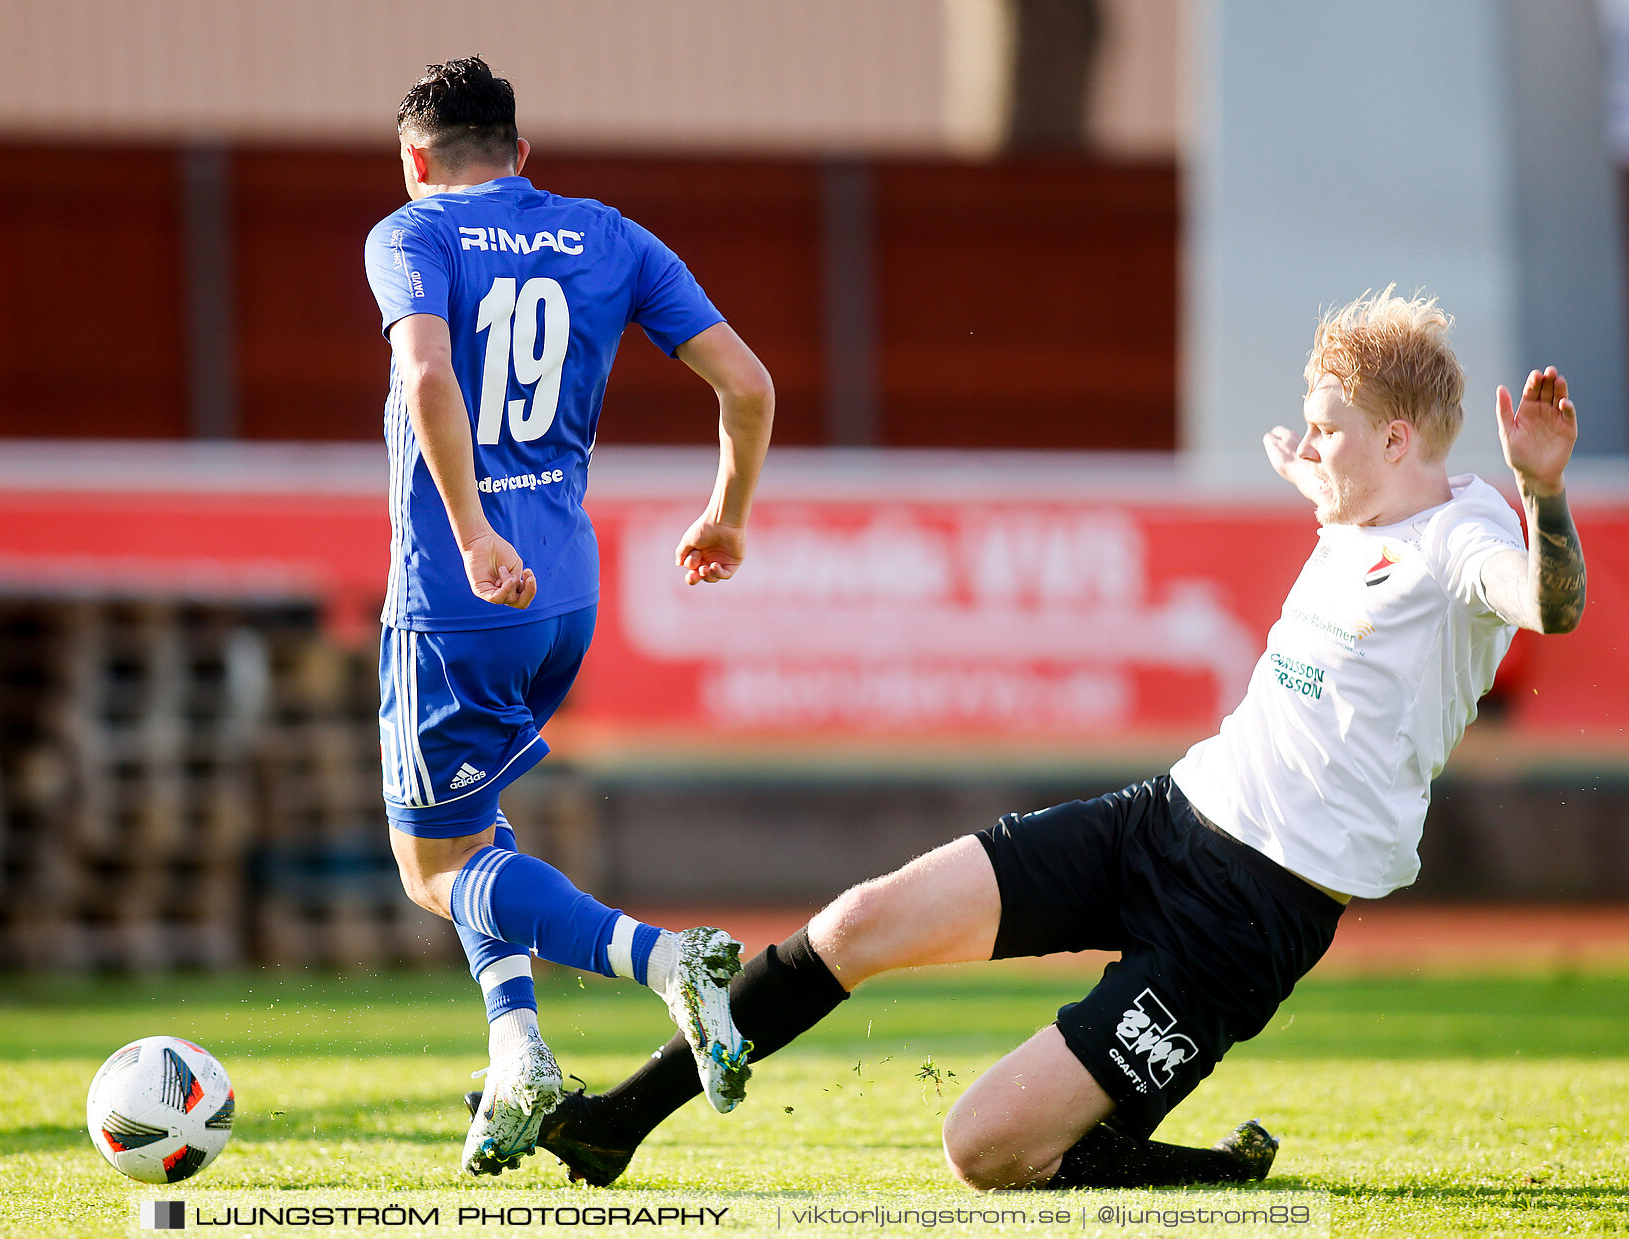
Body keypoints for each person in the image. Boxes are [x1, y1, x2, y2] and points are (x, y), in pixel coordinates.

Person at [489, 289, 1587, 1189]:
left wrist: (1543, 490)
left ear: (1398, 439)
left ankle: (1195, 1177)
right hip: (1164, 820)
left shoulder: (1467, 536)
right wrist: (1315, 469)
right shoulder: (1362, 503)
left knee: (987, 1152)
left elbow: (1551, 603)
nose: (1309, 445)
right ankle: (618, 1121)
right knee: (863, 920)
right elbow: (1351, 504)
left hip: (1251, 916)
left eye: (1328, 427)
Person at [362, 56, 775, 1176]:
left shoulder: (411, 237)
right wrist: (724, 517)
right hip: (567, 595)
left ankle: (661, 960)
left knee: (429, 867)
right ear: (521, 153)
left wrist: (472, 534)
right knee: (475, 826)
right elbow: (748, 385)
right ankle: (519, 1052)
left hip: (460, 597)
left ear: (415, 162)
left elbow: (427, 381)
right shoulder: (610, 236)